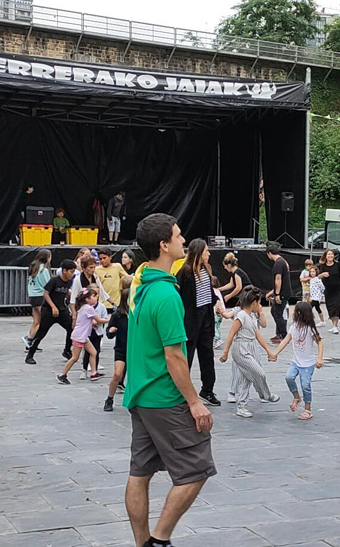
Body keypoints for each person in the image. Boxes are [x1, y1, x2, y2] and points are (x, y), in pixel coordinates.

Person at [123, 213, 215, 547]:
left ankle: (141, 543)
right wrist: (194, 401)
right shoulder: (166, 296)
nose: (183, 240)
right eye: (178, 236)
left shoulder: (142, 285)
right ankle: (159, 540)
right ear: (163, 245)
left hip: (140, 395)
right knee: (196, 469)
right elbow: (175, 356)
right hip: (164, 398)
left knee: (140, 473)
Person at [219, 287, 280, 418]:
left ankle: (242, 406)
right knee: (259, 373)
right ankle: (266, 394)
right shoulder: (241, 316)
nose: (260, 306)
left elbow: (258, 335)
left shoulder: (251, 317)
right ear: (254, 302)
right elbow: (231, 333)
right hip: (241, 349)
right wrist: (225, 353)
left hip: (249, 347)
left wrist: (269, 352)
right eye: (259, 303)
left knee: (246, 377)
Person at [177, 239, 220, 406]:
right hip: (191, 320)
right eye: (206, 251)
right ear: (199, 252)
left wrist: (216, 303)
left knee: (207, 355)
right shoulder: (186, 272)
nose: (209, 254)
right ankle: (182, 391)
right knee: (186, 357)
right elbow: (179, 296)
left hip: (206, 318)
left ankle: (207, 389)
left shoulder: (206, 270)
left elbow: (208, 293)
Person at [272, 301, 324, 420]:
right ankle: (296, 397)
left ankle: (307, 409)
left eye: (295, 311)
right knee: (289, 377)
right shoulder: (293, 326)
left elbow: (320, 342)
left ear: (301, 314)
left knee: (305, 385)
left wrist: (319, 358)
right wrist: (275, 353)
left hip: (308, 363)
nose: (293, 313)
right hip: (296, 361)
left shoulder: (310, 328)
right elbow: (285, 340)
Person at [25, 260, 77, 365]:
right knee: (41, 333)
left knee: (72, 328)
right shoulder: (54, 281)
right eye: (71, 271)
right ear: (64, 271)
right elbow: (46, 293)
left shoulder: (69, 281)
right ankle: (30, 355)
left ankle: (67, 350)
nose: (73, 274)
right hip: (49, 310)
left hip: (62, 310)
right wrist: (53, 306)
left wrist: (73, 296)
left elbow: (65, 291)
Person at [57, 288, 101, 384]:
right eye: (94, 296)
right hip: (80, 336)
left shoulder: (84, 307)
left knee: (93, 352)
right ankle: (62, 374)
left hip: (83, 336)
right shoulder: (89, 308)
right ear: (87, 299)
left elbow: (87, 320)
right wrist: (110, 320)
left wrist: (92, 323)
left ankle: (94, 373)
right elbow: (99, 320)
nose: (96, 297)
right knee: (75, 357)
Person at [104, 287, 130, 412]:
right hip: (121, 348)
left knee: (136, 376)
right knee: (117, 374)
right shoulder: (117, 315)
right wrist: (111, 331)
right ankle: (109, 399)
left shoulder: (139, 314)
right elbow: (109, 334)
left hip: (135, 350)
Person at [265, 241, 293, 344]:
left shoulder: (278, 263)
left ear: (269, 253)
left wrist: (277, 294)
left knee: (277, 313)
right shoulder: (283, 261)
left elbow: (278, 279)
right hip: (283, 291)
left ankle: (283, 334)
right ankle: (280, 333)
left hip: (282, 292)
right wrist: (272, 292)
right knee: (275, 312)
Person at [25, 249, 52, 349]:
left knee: (36, 321)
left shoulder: (33, 268)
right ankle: (30, 339)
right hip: (40, 296)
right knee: (41, 322)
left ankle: (30, 342)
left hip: (32, 295)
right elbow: (48, 284)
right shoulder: (43, 270)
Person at [317, 249, 340, 334]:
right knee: (330, 308)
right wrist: (323, 274)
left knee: (337, 307)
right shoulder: (322, 266)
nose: (330, 256)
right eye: (329, 254)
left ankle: (335, 326)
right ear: (325, 256)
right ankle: (333, 325)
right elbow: (318, 276)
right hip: (328, 290)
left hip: (338, 290)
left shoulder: (337, 265)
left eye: (332, 254)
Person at [96, 248, 128, 314]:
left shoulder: (117, 266)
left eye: (104, 258)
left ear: (110, 257)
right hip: (103, 303)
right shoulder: (96, 270)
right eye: (100, 259)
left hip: (116, 303)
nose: (102, 260)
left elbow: (127, 278)